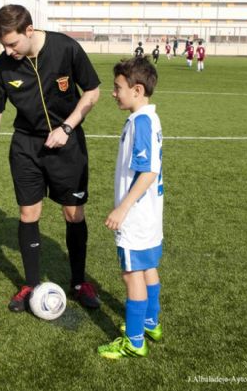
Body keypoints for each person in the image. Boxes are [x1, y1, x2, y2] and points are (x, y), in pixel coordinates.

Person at [0, 4, 102, 313]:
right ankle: (30, 285)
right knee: (27, 214)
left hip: (67, 144)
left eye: (12, 43)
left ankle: (78, 282)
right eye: (3, 44)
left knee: (73, 214)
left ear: (29, 31)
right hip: (26, 146)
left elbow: (92, 92)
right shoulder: (2, 67)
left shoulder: (65, 48)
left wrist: (67, 127)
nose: (7, 51)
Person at [98, 56, 163, 360]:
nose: (114, 92)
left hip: (136, 216)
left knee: (131, 274)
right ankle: (150, 323)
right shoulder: (148, 118)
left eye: (117, 87)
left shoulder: (141, 123)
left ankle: (134, 341)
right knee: (148, 266)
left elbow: (148, 172)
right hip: (149, 214)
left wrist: (122, 209)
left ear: (137, 90)